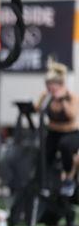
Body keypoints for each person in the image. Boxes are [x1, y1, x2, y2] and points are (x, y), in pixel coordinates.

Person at [34, 59, 79, 196]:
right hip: (53, 131)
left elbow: (72, 115)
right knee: (44, 152)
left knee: (65, 146)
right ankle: (43, 182)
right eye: (48, 85)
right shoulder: (46, 96)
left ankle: (69, 179)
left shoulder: (70, 97)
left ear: (60, 85)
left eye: (52, 85)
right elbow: (38, 109)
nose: (50, 88)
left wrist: (62, 100)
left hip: (70, 132)